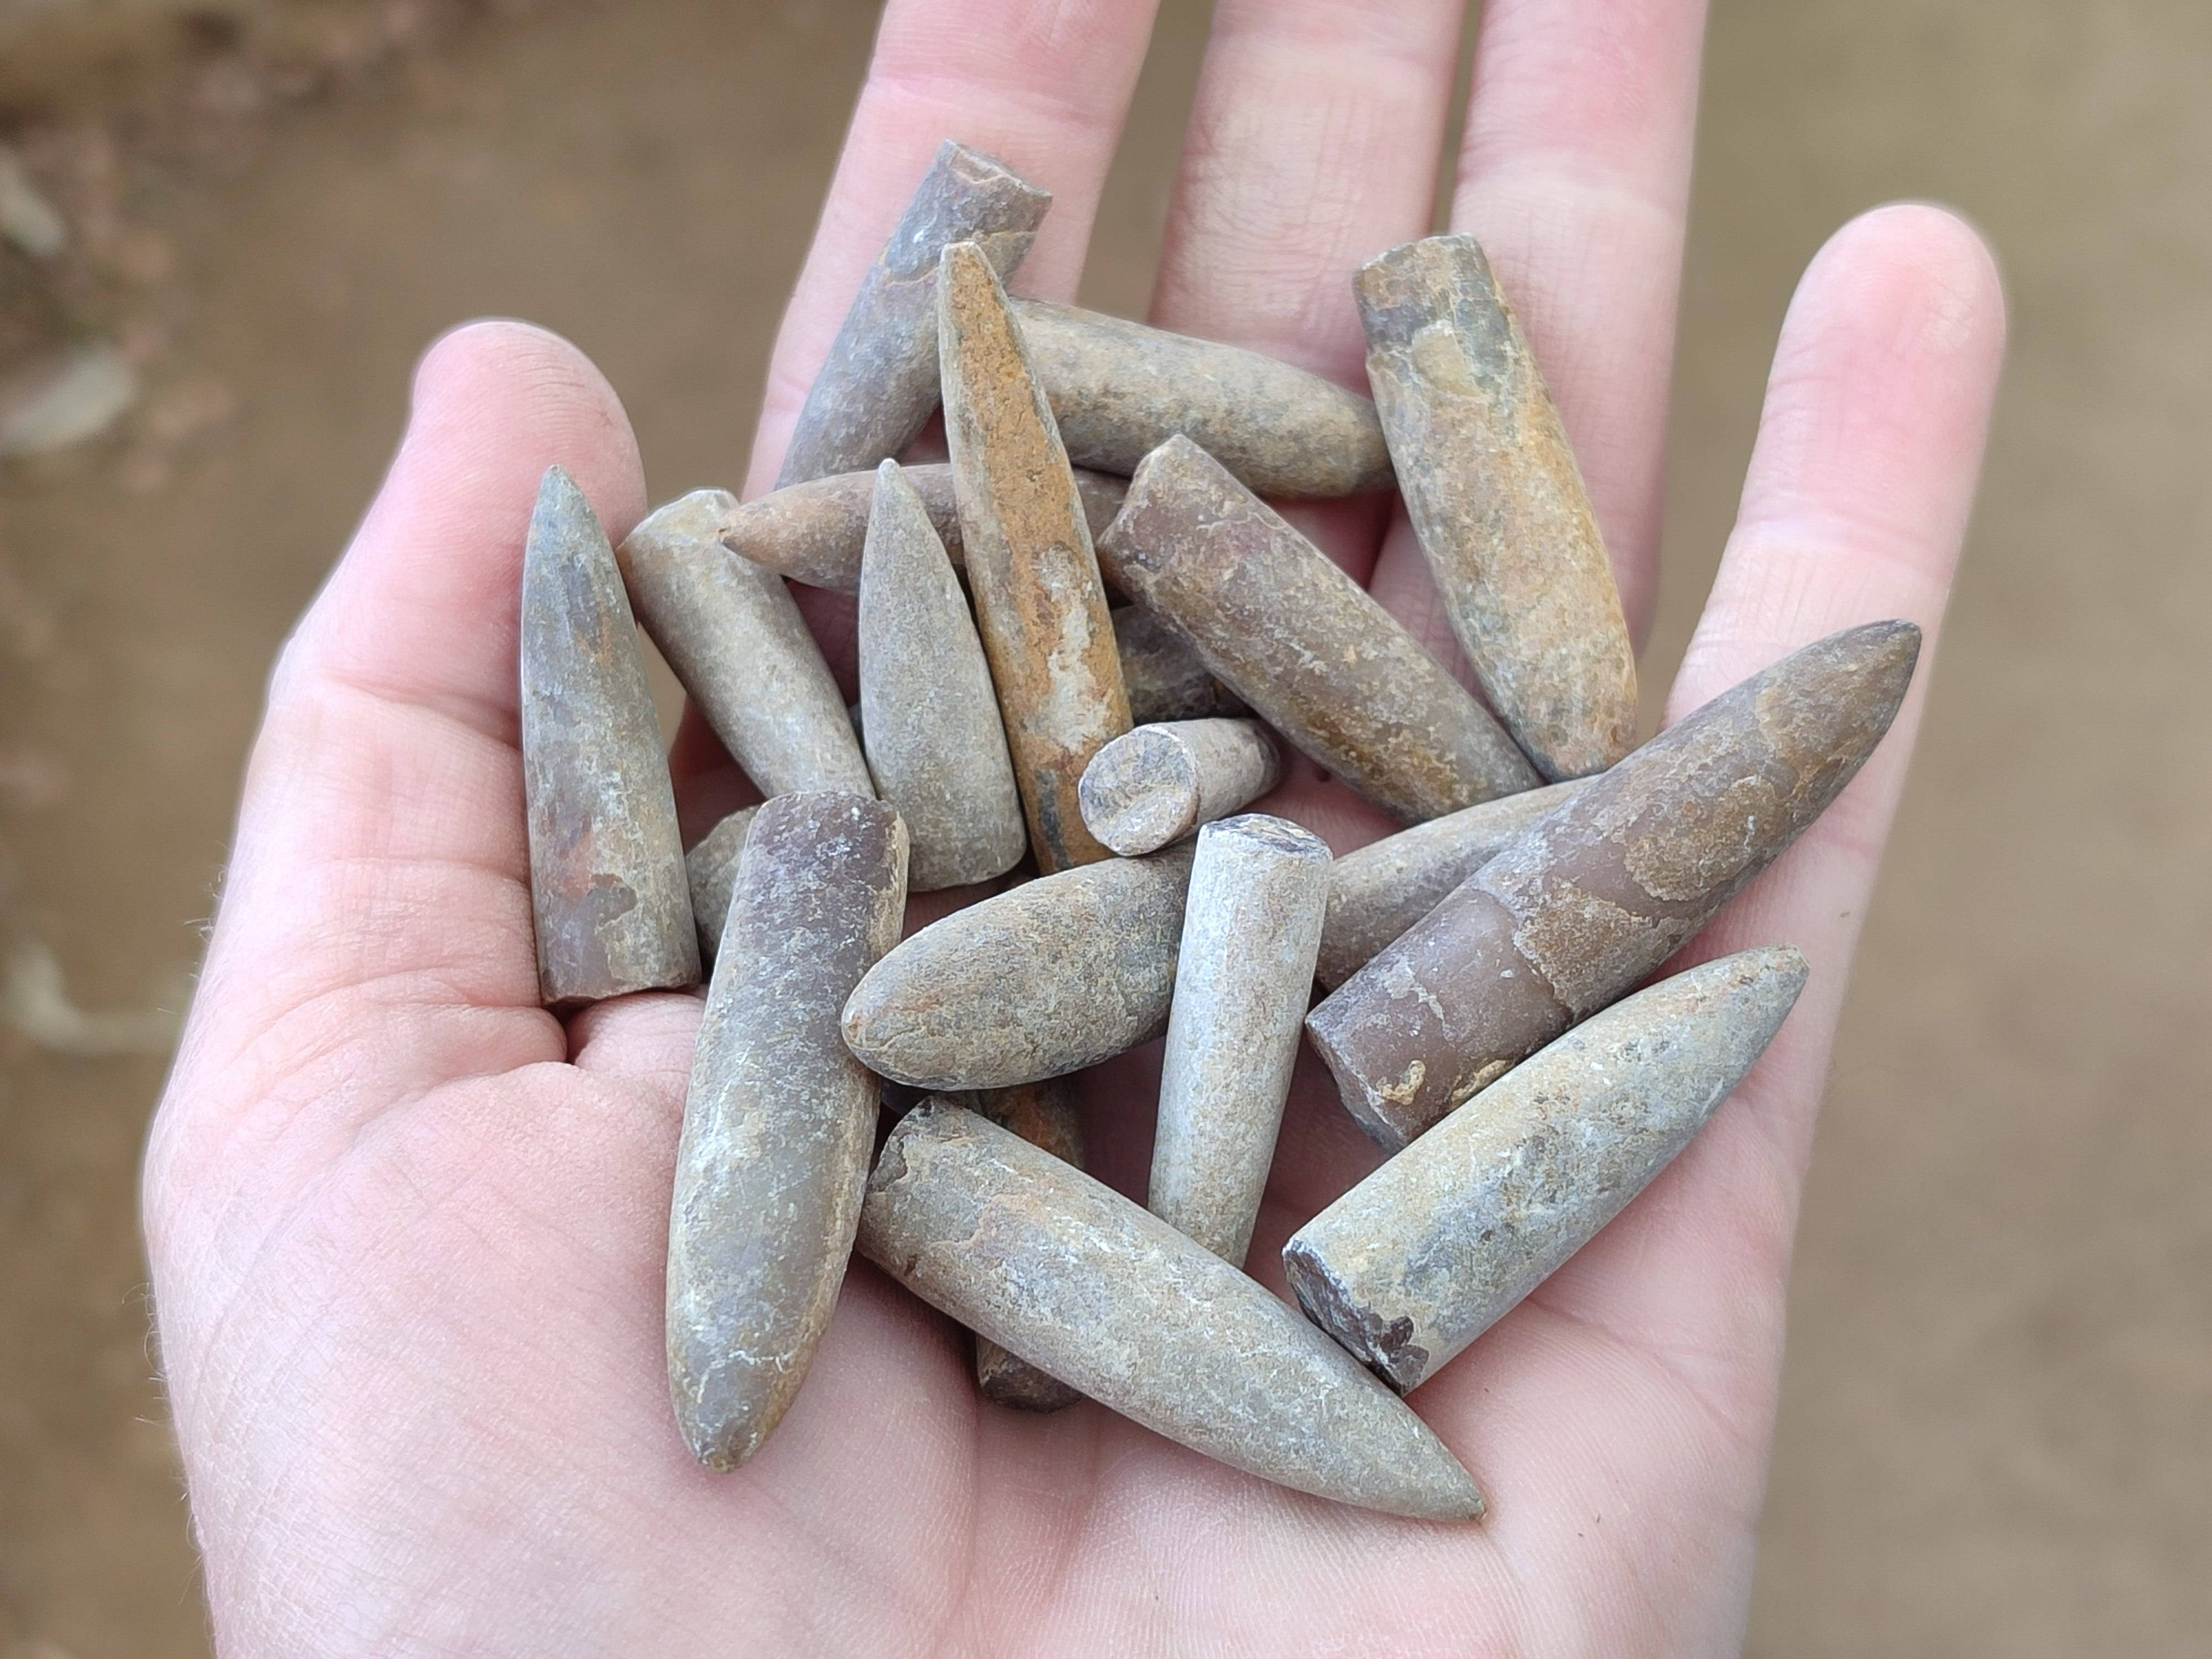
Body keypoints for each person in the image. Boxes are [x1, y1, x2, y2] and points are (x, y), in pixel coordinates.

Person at [140, 0, 2006, 1652]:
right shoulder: (919, 817)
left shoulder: (1170, 810)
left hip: (1201, 951)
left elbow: (961, 993)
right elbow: (894, 1024)